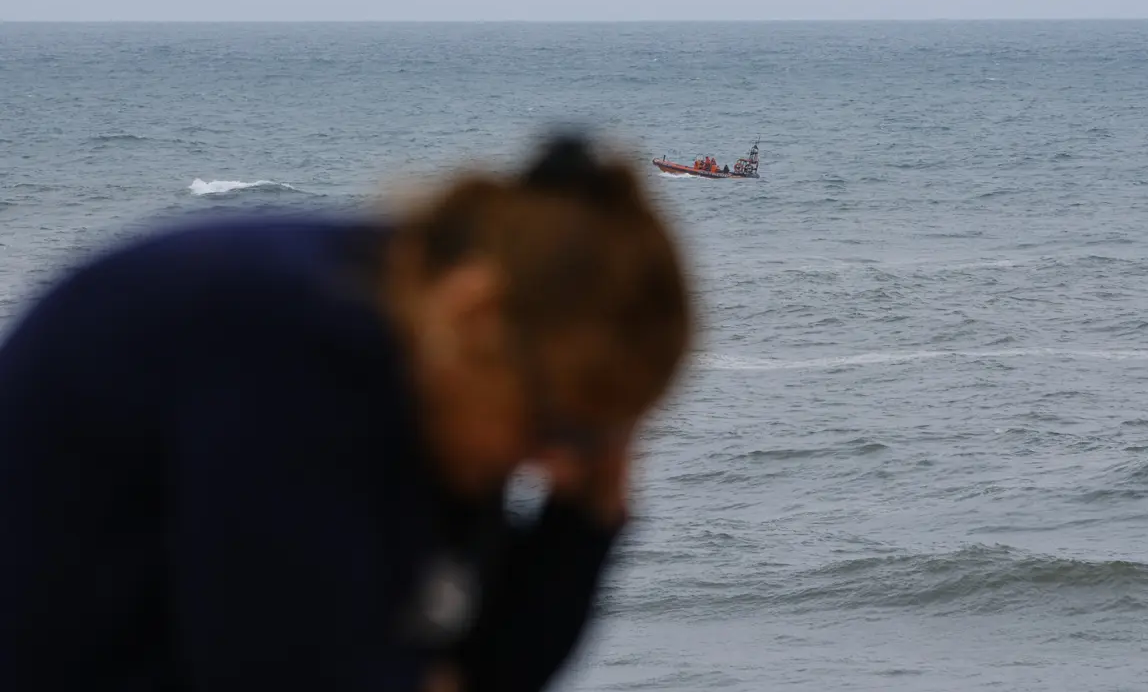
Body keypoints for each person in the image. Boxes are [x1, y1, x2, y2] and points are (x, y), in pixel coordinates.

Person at [0, 132, 693, 692]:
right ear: (475, 314)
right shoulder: (295, 354)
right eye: (559, 430)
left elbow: (483, 664)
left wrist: (589, 506)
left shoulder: (433, 355)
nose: (547, 465)